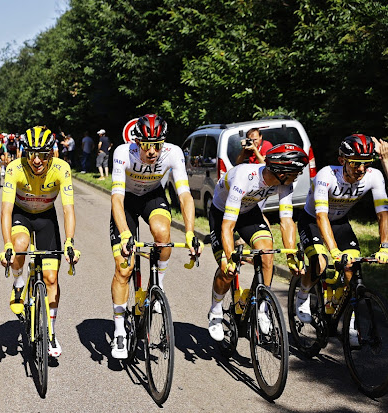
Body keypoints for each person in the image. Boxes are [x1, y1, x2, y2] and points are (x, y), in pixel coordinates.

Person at [109, 114, 201, 359]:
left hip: (153, 196)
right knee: (123, 268)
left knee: (163, 233)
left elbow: (184, 196)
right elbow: (116, 198)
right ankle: (119, 331)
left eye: (157, 145)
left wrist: (190, 232)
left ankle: (157, 285)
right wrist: (126, 233)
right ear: (136, 141)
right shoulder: (122, 152)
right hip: (126, 201)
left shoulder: (173, 153)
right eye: (147, 145)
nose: (152, 152)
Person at [207, 143, 307, 341]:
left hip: (249, 212)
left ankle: (262, 308)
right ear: (281, 172)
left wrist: (290, 254)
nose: (298, 175)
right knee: (227, 270)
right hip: (222, 214)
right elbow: (227, 226)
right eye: (295, 171)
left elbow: (286, 220)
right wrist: (229, 257)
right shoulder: (243, 178)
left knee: (267, 254)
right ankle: (216, 310)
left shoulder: (285, 183)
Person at [294, 135, 388, 344]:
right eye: (356, 163)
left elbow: (383, 213)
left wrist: (385, 246)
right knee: (321, 263)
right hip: (312, 220)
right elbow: (321, 216)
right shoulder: (326, 175)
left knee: (351, 269)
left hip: (340, 222)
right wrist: (334, 251)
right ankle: (302, 294)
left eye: (366, 163)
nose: (361, 170)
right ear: (342, 160)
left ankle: (350, 323)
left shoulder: (374, 176)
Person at [0, 126, 80, 357]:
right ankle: (18, 283)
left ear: (51, 153)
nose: (36, 160)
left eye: (42, 154)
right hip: (20, 214)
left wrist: (70, 241)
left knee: (51, 277)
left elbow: (68, 210)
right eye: (31, 153)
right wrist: (7, 244)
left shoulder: (61, 169)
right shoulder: (14, 168)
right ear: (24, 152)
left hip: (46, 217)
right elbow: (5, 211)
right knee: (20, 246)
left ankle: (51, 333)